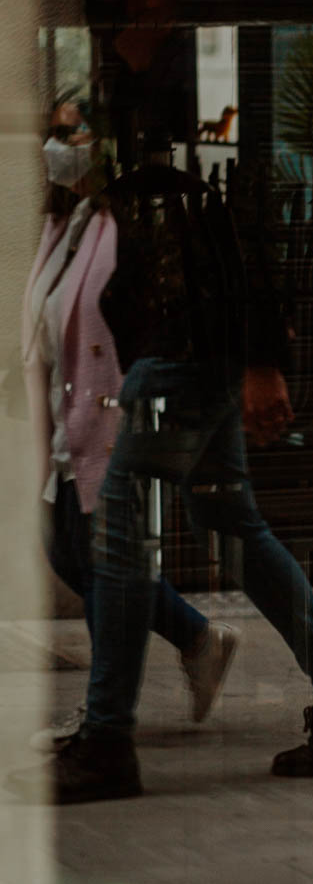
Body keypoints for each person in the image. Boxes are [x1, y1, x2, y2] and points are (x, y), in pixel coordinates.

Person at [25, 0, 313, 805]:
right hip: (174, 335)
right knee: (229, 521)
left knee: (119, 533)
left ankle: (107, 742)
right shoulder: (140, 83)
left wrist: (262, 358)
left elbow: (243, 216)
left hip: (189, 342)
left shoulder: (204, 80)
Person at [22, 101, 239, 748]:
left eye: (73, 132)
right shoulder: (65, 219)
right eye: (56, 133)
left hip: (109, 417)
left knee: (99, 562)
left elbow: (139, 323)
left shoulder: (125, 224)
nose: (59, 146)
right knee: (70, 552)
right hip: (66, 419)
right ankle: (198, 640)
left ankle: (105, 716)